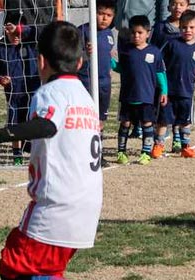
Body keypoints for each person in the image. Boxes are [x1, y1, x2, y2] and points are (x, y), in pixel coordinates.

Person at [0, 21, 121, 280]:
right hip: (86, 203)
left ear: (40, 61)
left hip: (56, 203)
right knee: (32, 273)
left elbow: (46, 127)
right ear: (81, 62)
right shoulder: (85, 98)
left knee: (13, 269)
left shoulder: (50, 93)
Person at [113, 15, 168, 165]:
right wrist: (110, 61)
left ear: (148, 33)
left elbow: (160, 73)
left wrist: (164, 91)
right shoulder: (125, 51)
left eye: (139, 32)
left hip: (146, 97)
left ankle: (145, 153)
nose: (136, 36)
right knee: (125, 123)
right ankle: (121, 152)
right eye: (133, 32)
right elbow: (120, 68)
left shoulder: (154, 52)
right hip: (127, 96)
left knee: (147, 124)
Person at [159, 9, 195, 158]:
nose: (188, 30)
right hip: (169, 91)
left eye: (192, 27)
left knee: (184, 121)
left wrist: (194, 74)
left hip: (186, 92)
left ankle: (185, 147)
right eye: (184, 27)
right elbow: (159, 60)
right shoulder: (171, 44)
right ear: (179, 28)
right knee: (164, 120)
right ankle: (158, 145)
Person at [0, 19, 40, 165]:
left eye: (18, 33)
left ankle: (36, 153)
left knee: (33, 124)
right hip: (13, 93)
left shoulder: (31, 44)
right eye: (11, 34)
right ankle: (17, 156)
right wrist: (2, 79)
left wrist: (21, 29)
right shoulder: (2, 48)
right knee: (14, 125)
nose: (15, 37)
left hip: (33, 90)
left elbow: (35, 31)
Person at [78, 0, 116, 167]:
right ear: (93, 12)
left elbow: (109, 55)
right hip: (86, 81)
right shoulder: (83, 31)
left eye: (108, 15)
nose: (104, 18)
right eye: (101, 14)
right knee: (87, 119)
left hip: (104, 83)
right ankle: (84, 153)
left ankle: (98, 153)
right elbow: (74, 55)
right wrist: (85, 52)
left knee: (100, 120)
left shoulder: (109, 33)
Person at [149, 0, 190, 157]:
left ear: (188, 6)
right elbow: (153, 48)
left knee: (182, 110)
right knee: (165, 110)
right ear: (168, 6)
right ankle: (158, 143)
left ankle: (178, 141)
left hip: (183, 79)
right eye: (174, 3)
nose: (177, 7)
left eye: (181, 4)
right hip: (165, 78)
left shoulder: (189, 27)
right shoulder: (160, 27)